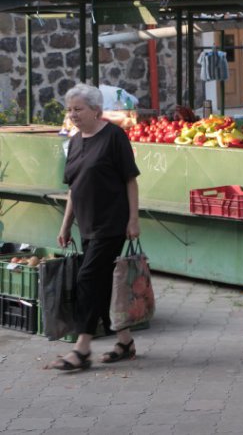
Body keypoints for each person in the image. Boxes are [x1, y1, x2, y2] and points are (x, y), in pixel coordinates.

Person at [48, 84, 141, 371]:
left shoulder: (114, 137)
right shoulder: (75, 141)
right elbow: (74, 188)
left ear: (96, 110)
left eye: (79, 109)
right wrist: (66, 225)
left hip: (112, 222)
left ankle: (82, 348)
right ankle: (124, 342)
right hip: (86, 224)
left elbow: (130, 180)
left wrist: (133, 219)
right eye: (70, 109)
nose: (73, 114)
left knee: (88, 279)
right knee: (99, 283)